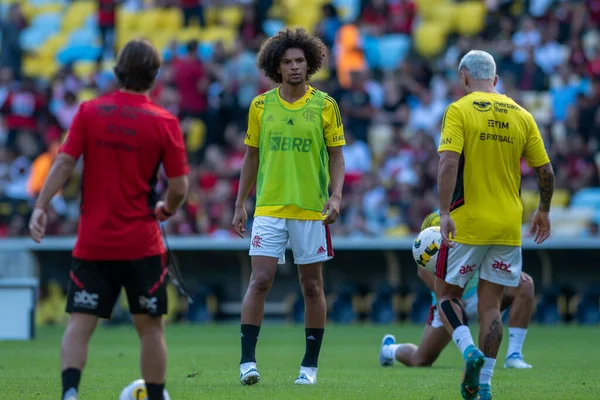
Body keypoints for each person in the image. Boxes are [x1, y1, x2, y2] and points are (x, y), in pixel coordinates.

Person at [28, 39, 190, 400]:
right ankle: (156, 395)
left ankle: (70, 394)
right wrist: (169, 207)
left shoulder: (89, 111)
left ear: (118, 71)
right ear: (154, 76)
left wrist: (40, 205)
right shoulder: (164, 122)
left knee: (79, 324)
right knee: (150, 331)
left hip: (94, 241)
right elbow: (180, 185)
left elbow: (64, 162)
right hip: (142, 243)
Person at [434, 50, 554, 400]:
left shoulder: (459, 109)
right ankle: (483, 385)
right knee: (491, 305)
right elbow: (545, 171)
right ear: (496, 79)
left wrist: (443, 212)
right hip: (507, 225)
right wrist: (543, 210)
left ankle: (468, 350)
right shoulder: (522, 114)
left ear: (464, 77)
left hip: (468, 221)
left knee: (447, 296)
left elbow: (447, 163)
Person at [232, 27, 346, 386]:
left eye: (299, 60)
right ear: (275, 67)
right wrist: (240, 204)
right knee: (260, 280)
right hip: (268, 208)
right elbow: (251, 157)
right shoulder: (260, 106)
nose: (294, 67)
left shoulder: (326, 105)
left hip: (311, 210)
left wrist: (337, 195)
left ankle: (309, 368)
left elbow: (337, 156)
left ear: (309, 64)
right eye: (287, 62)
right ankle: (247, 363)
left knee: (311, 287)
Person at [379, 212, 536, 370]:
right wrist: (446, 297)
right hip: (449, 298)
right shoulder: (434, 219)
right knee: (420, 360)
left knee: (525, 285)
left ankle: (513, 356)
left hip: (480, 291)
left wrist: (508, 272)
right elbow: (423, 266)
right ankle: (389, 350)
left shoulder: (479, 212)